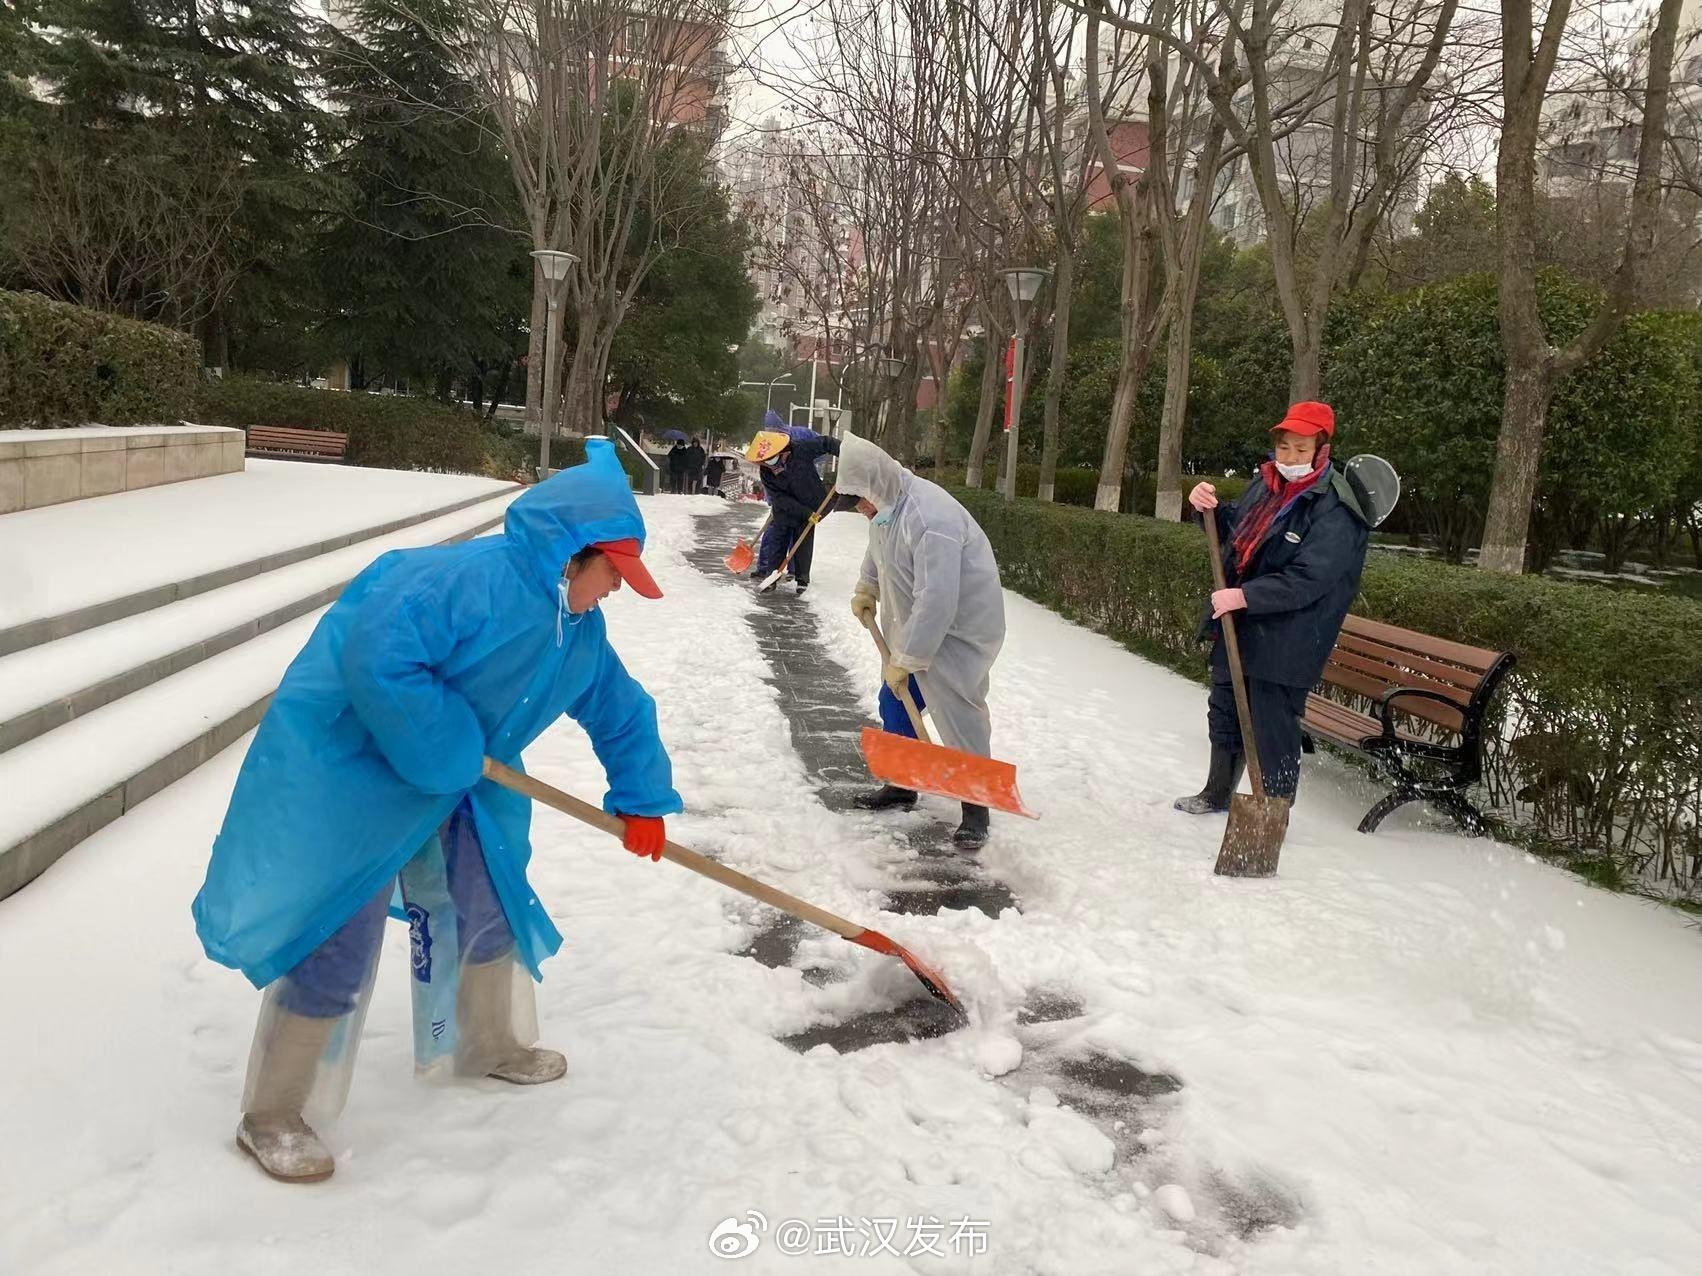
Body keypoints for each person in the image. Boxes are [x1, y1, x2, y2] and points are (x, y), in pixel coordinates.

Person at [192, 439, 681, 1184]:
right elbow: (378, 648)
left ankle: (488, 1042)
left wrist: (641, 797)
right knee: (338, 931)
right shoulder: (462, 583)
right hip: (360, 766)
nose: (617, 589)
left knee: (492, 899)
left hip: (460, 774)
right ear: (570, 556)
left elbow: (619, 709)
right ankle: (273, 1113)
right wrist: (446, 743)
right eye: (614, 572)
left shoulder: (577, 633)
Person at [1175, 400, 1372, 814]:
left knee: (1272, 726)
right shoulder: (1267, 485)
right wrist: (1206, 508)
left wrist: (1248, 596)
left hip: (1290, 636)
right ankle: (1217, 793)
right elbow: (1237, 533)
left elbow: (1312, 577)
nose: (1291, 458)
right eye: (1285, 448)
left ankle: (1272, 812)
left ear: (1322, 450)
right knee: (1225, 708)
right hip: (1241, 625)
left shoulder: (1336, 507)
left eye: (1301, 450)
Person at [836, 433, 1005, 849]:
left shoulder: (932, 518)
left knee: (958, 712)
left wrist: (909, 655)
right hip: (918, 622)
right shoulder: (887, 509)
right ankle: (902, 783)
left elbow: (939, 598)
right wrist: (866, 587)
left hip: (958, 630)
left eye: (861, 499)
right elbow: (878, 550)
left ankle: (976, 808)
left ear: (876, 484)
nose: (860, 509)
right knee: (895, 701)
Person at [747, 411, 840, 595]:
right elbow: (780, 499)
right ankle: (771, 575)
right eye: (766, 462)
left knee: (803, 537)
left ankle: (802, 579)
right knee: (778, 537)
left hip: (812, 500)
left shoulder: (800, 449)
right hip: (786, 507)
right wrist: (805, 512)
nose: (771, 466)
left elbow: (826, 443)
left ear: (783, 452)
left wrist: (845, 453)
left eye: (773, 459)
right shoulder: (766, 472)